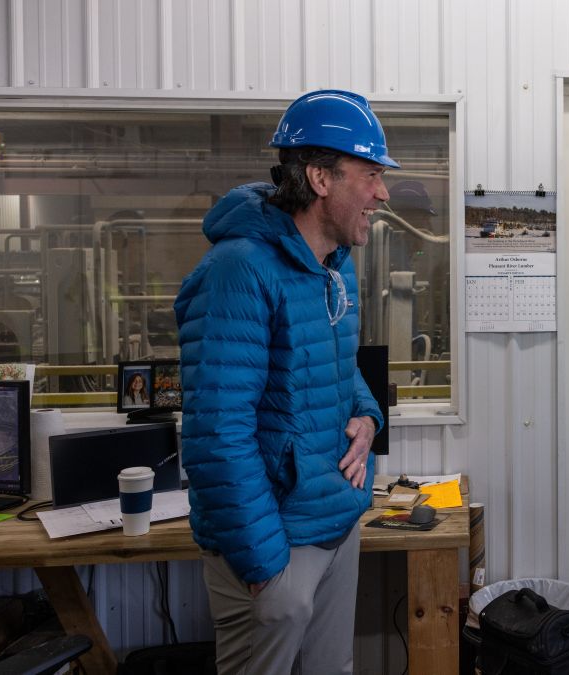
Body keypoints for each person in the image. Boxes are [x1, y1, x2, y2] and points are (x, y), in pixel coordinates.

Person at [174, 89, 395, 674]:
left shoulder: (330, 268)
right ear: (321, 178)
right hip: (273, 543)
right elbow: (217, 432)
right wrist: (265, 565)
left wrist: (369, 417)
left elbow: (340, 369)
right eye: (370, 174)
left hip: (332, 521)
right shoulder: (239, 269)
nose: (383, 192)